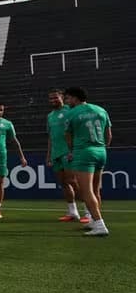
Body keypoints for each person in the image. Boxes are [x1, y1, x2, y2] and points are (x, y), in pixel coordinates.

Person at [64, 86, 112, 236]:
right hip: (101, 151)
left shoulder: (71, 113)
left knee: (86, 191)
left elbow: (68, 137)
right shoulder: (100, 110)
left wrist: (73, 151)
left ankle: (99, 225)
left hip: (84, 152)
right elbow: (108, 134)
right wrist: (102, 148)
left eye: (68, 98)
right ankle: (93, 220)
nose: (67, 101)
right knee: (96, 190)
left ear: (75, 98)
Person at [47, 88, 88, 223]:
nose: (53, 100)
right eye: (51, 98)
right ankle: (73, 212)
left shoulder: (70, 111)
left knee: (73, 181)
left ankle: (88, 211)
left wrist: (74, 150)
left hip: (68, 152)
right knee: (64, 183)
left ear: (62, 98)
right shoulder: (50, 115)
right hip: (56, 153)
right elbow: (50, 137)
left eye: (56, 98)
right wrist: (49, 156)